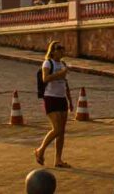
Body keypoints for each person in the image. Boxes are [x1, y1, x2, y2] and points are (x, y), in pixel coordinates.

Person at [34, 40, 73, 169]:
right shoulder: (48, 63)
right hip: (51, 98)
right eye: (59, 48)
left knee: (61, 131)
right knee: (57, 129)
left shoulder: (62, 64)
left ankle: (58, 160)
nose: (62, 50)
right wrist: (59, 74)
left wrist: (70, 100)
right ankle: (41, 150)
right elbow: (45, 78)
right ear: (53, 51)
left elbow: (65, 83)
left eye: (63, 48)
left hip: (62, 99)